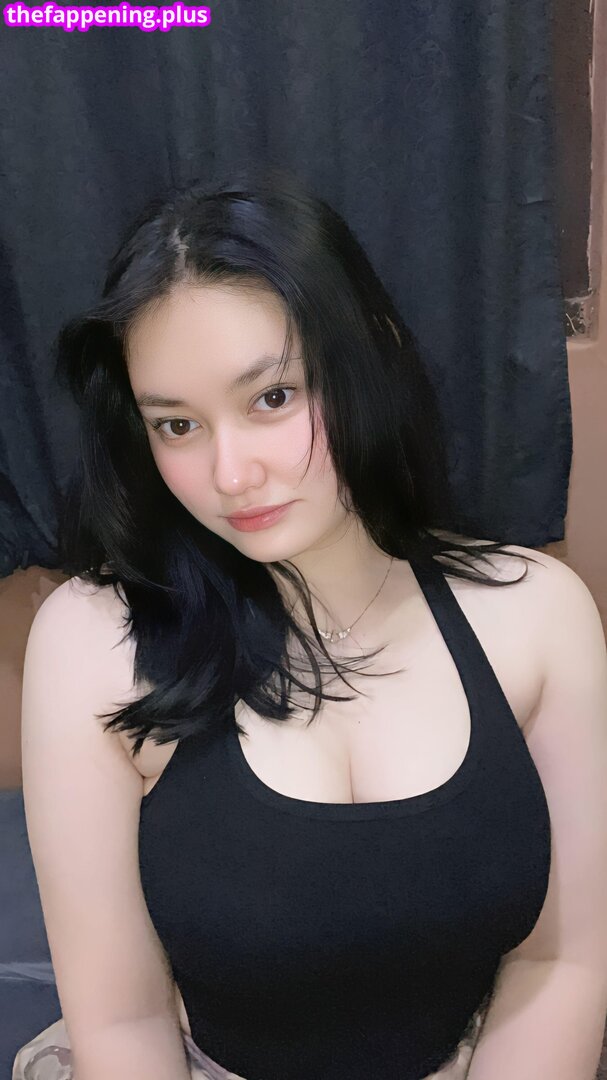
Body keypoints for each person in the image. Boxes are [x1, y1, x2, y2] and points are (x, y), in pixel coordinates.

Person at [15, 170, 607, 1080]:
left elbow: (560, 962)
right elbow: (125, 1021)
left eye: (272, 398)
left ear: (369, 359)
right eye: (176, 425)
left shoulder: (538, 612)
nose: (230, 474)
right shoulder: (92, 641)